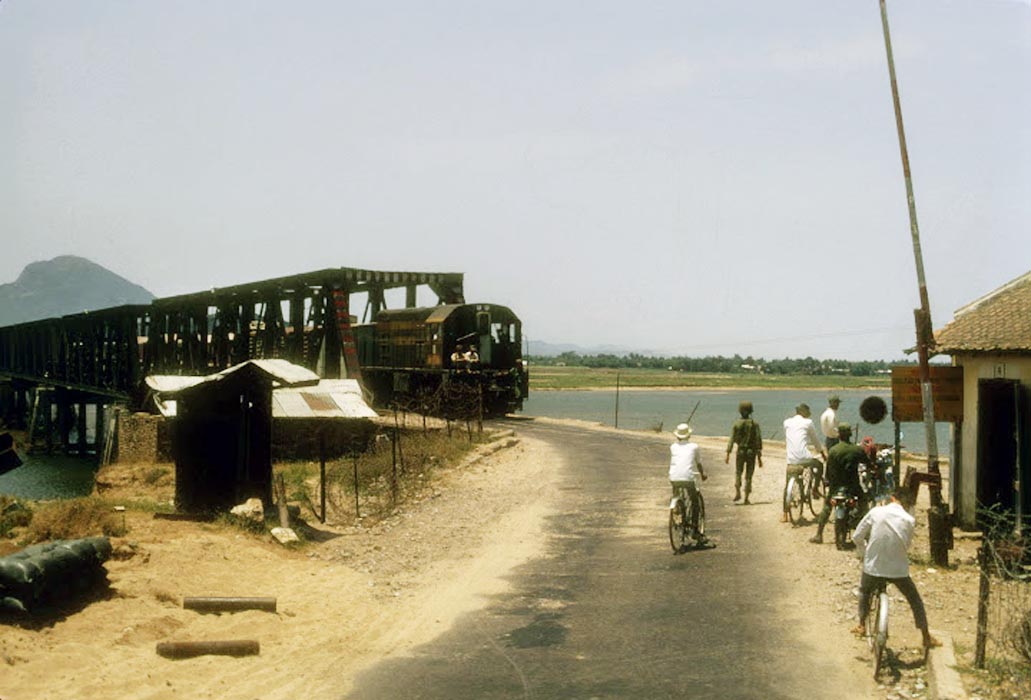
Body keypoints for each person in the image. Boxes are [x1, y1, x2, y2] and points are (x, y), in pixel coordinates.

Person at [850, 489, 941, 654]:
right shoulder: (909, 520)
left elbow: (857, 536)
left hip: (873, 567)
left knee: (864, 591)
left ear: (892, 498)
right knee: (914, 599)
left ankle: (862, 624)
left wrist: (864, 554)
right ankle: (926, 636)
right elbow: (905, 545)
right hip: (898, 570)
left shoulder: (876, 512)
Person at [809, 423, 868, 546]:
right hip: (853, 485)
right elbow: (866, 462)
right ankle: (861, 530)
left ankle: (819, 534)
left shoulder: (833, 450)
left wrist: (827, 481)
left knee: (827, 506)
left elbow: (828, 470)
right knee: (864, 503)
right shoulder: (857, 449)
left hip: (836, 485)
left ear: (839, 435)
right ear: (850, 435)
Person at [782, 403, 827, 522]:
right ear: (804, 411)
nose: (810, 414)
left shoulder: (786, 422)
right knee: (819, 465)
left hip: (791, 459)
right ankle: (816, 488)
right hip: (805, 458)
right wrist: (822, 453)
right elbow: (815, 441)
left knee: (788, 484)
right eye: (808, 411)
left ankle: (784, 514)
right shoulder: (808, 423)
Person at [669, 422, 707, 544]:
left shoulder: (673, 447)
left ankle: (676, 511)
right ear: (689, 435)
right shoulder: (694, 447)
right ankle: (695, 531)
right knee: (695, 502)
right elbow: (698, 463)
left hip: (674, 477)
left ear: (677, 436)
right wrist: (703, 474)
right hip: (688, 478)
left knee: (676, 493)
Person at [725, 400, 763, 504]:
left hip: (740, 451)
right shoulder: (754, 424)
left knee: (738, 472)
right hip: (752, 452)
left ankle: (737, 492)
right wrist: (759, 457)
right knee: (749, 475)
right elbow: (758, 441)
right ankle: (746, 498)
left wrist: (728, 453)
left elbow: (732, 439)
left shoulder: (737, 424)